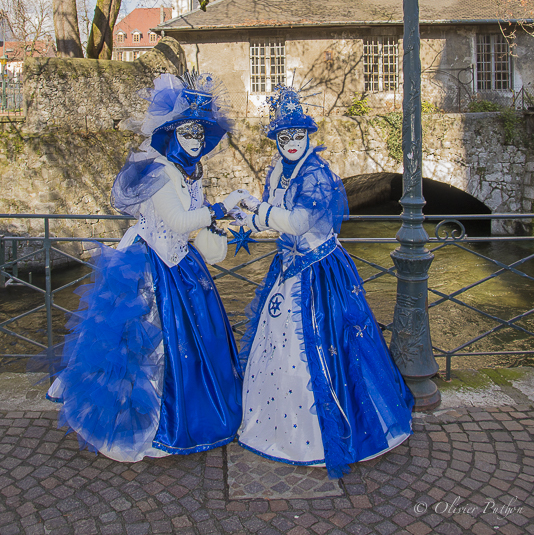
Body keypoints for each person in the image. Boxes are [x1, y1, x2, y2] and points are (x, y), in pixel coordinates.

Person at [48, 72, 250, 462]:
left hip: (183, 267)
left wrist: (222, 234)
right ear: (171, 136)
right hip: (150, 268)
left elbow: (197, 230)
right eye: (186, 134)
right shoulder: (157, 173)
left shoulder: (193, 175)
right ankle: (153, 425)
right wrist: (221, 208)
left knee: (200, 345)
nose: (193, 141)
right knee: (145, 349)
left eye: (198, 135)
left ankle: (201, 412)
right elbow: (178, 222)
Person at [236, 85, 414, 478]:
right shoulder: (277, 171)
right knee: (278, 347)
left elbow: (299, 221)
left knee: (329, 349)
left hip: (319, 274)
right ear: (277, 140)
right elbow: (278, 215)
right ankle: (275, 428)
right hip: (287, 271)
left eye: (298, 135)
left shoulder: (316, 174)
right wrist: (246, 203)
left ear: (307, 135)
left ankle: (328, 431)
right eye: (284, 137)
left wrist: (256, 217)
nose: (292, 143)